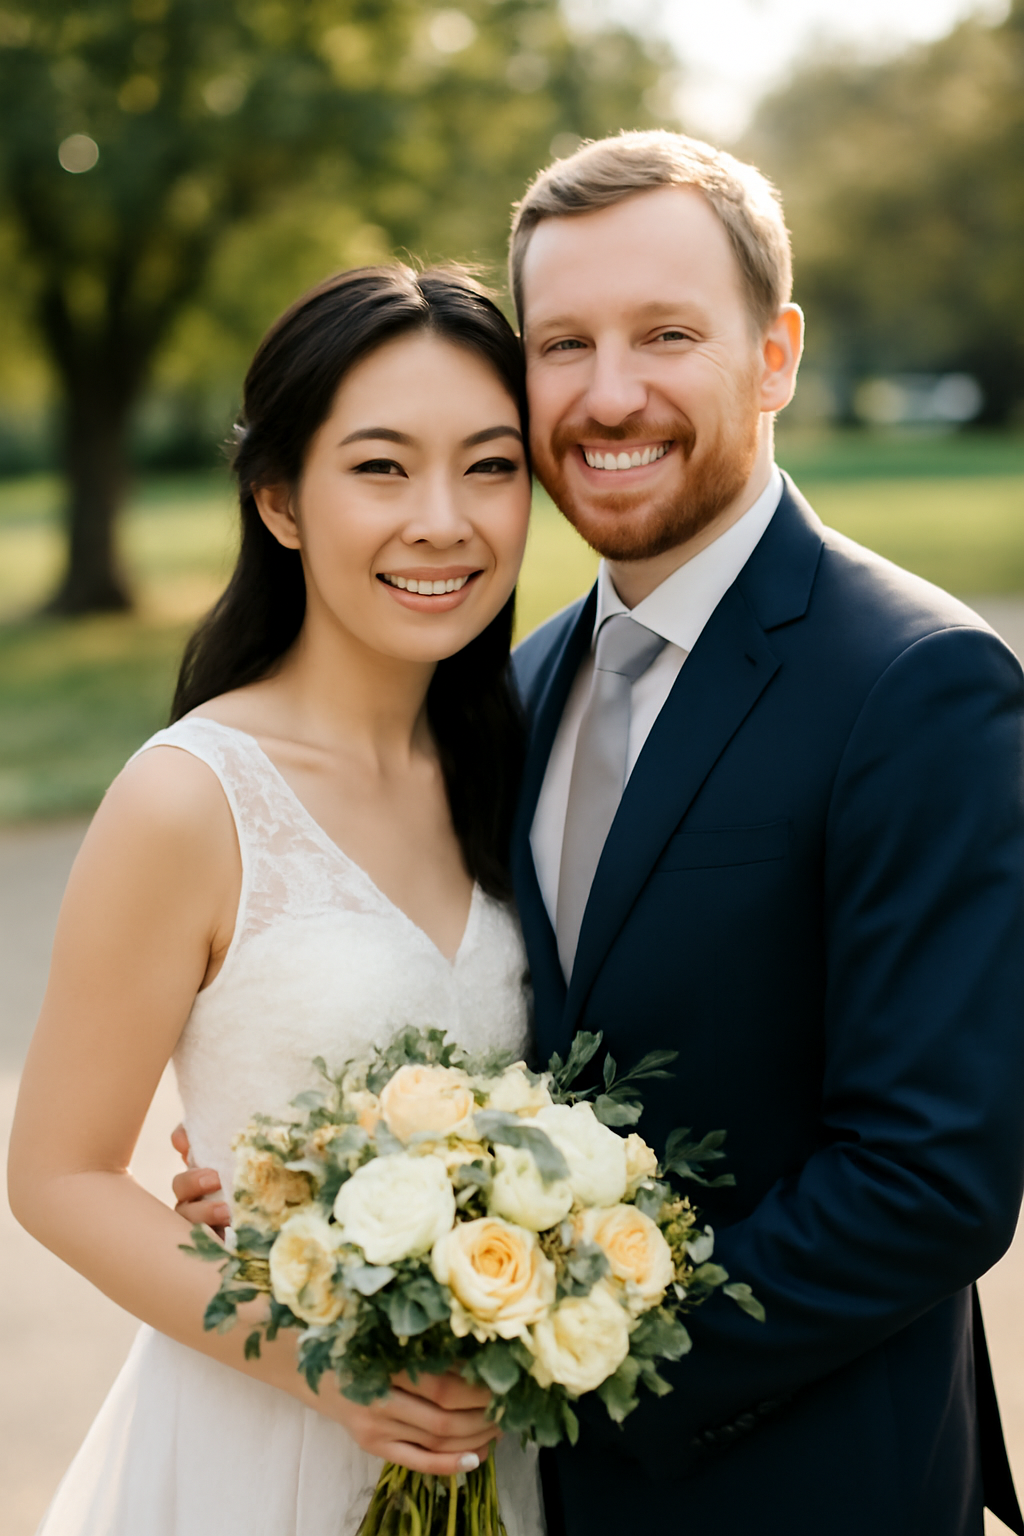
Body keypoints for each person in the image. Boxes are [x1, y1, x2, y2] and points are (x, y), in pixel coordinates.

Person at [176, 129, 1024, 1536]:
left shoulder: (916, 684)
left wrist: (542, 1355)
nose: (609, 391)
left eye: (667, 333)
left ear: (776, 354)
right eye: (562, 342)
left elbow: (929, 1181)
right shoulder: (512, 685)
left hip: (796, 1486)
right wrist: (299, 1195)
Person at [8, 265, 547, 1536]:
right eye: (379, 468)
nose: (444, 521)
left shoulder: (530, 764)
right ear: (280, 503)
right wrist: (330, 1368)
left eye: (489, 466)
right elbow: (58, 1174)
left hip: (508, 1458)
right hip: (261, 1450)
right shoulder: (189, 797)